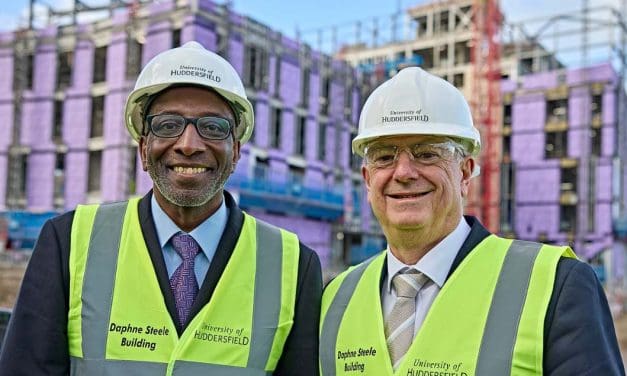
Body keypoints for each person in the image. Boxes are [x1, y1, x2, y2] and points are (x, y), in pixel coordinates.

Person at [0, 41, 322, 375]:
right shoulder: (68, 242)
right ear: (143, 148)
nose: (188, 145)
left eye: (212, 127)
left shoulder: (294, 266)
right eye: (168, 125)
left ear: (236, 151)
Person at [319, 67, 624, 375]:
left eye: (426, 153)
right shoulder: (334, 299)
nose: (404, 173)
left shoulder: (556, 285)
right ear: (368, 179)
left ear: (464, 173)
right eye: (384, 157)